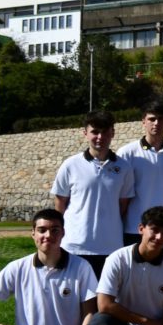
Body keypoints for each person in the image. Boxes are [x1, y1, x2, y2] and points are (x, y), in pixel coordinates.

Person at [51, 110, 136, 278]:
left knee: (104, 295)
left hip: (110, 247)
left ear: (112, 133)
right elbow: (60, 203)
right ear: (85, 133)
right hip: (74, 245)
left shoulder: (124, 167)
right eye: (95, 132)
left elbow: (123, 205)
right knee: (72, 293)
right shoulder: (70, 165)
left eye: (105, 132)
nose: (100, 137)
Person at [118, 102, 163, 250]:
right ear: (143, 121)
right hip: (134, 227)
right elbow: (120, 192)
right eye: (152, 119)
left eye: (161, 119)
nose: (156, 123)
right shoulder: (127, 153)